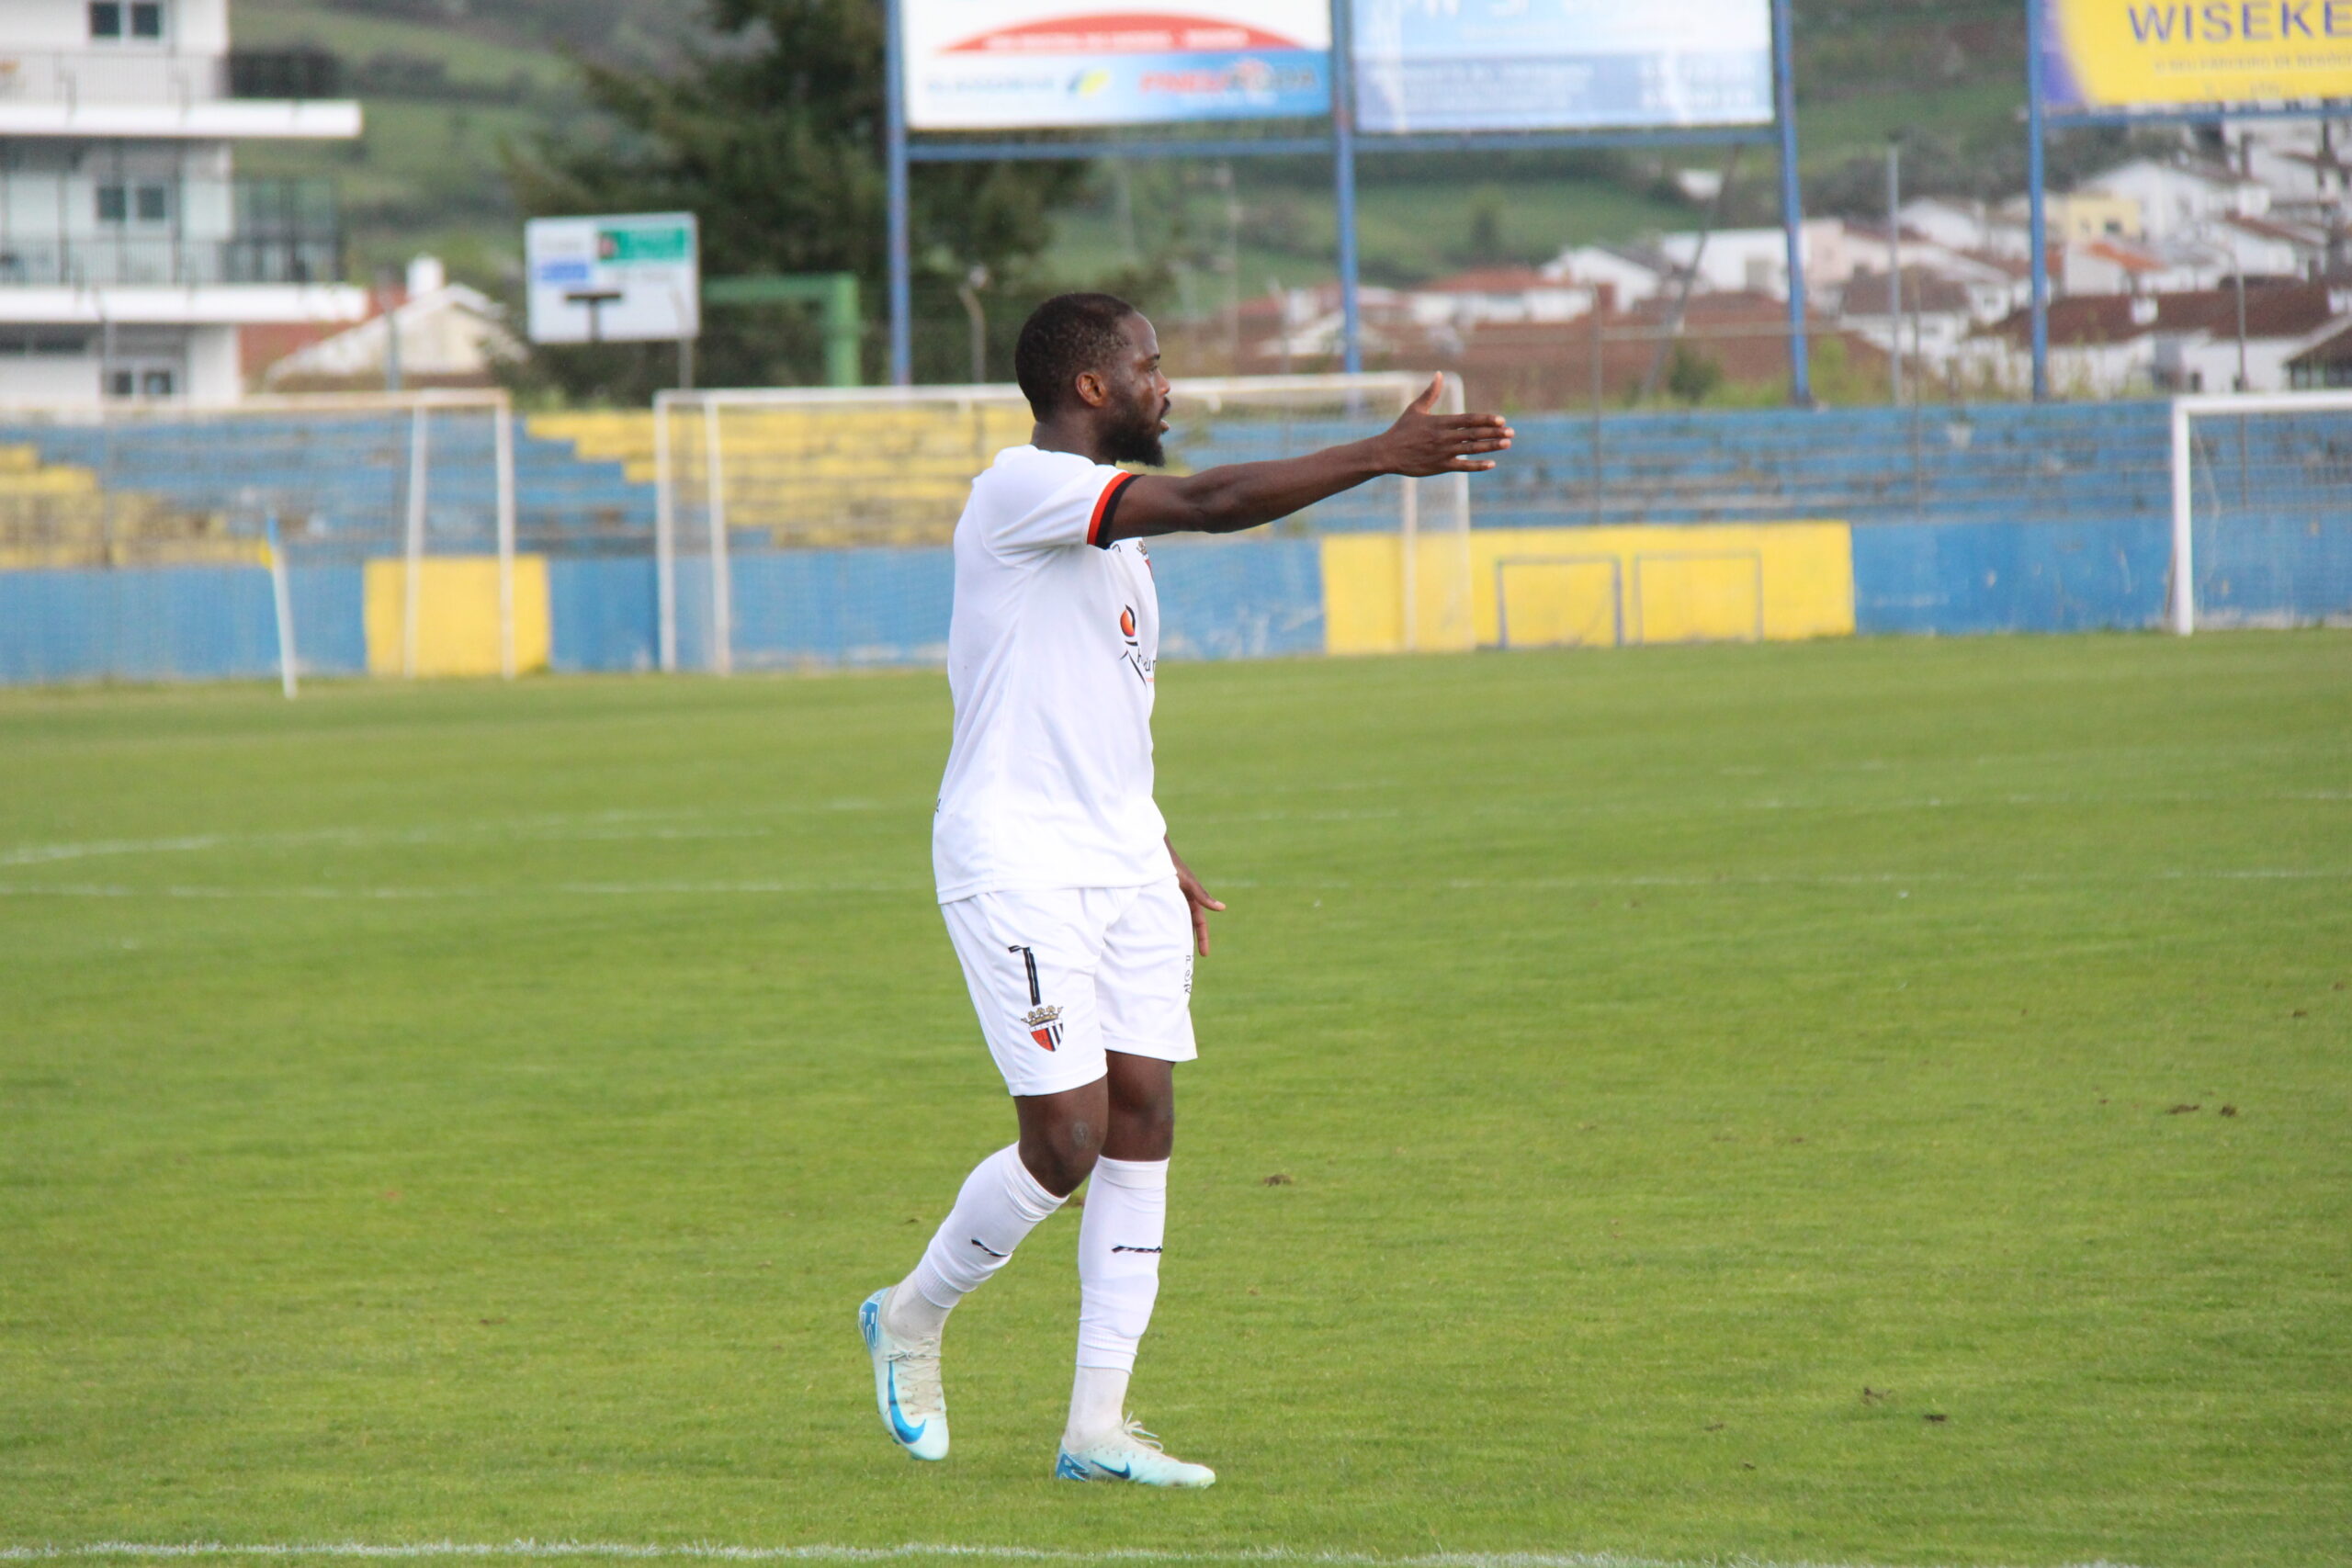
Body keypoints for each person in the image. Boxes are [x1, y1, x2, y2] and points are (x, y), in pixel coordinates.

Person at [859, 292, 1511, 1487]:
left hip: (1124, 860)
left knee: (1145, 1118)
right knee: (1067, 1139)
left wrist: (1151, 842)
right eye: (1152, 367)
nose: (1171, 387)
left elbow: (1096, 706)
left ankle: (1097, 1428)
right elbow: (1213, 501)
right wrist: (1382, 454)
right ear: (1092, 387)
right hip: (1018, 860)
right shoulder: (1021, 489)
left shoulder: (1119, 542)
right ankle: (909, 1314)